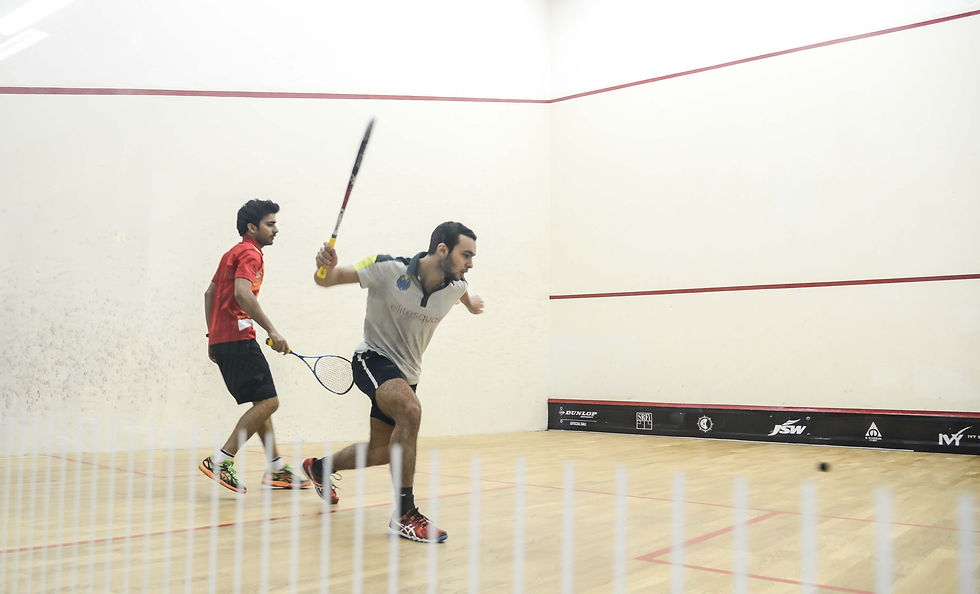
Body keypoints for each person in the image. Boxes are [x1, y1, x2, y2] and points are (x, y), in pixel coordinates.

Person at [302, 221, 484, 542]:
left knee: (382, 451)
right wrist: (323, 268)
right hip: (372, 359)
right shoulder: (386, 268)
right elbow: (327, 280)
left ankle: (320, 467)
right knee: (410, 412)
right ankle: (405, 514)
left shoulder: (455, 285)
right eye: (465, 255)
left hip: (407, 375)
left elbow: (464, 292)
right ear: (442, 250)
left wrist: (472, 305)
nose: (470, 263)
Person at [199, 199, 311, 494]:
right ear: (252, 227)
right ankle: (222, 460)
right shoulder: (251, 253)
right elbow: (242, 293)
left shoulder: (231, 253)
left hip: (224, 339)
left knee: (262, 402)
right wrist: (272, 329)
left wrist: (212, 335)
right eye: (270, 224)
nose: (276, 229)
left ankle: (275, 469)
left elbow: (209, 293)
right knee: (269, 403)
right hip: (238, 337)